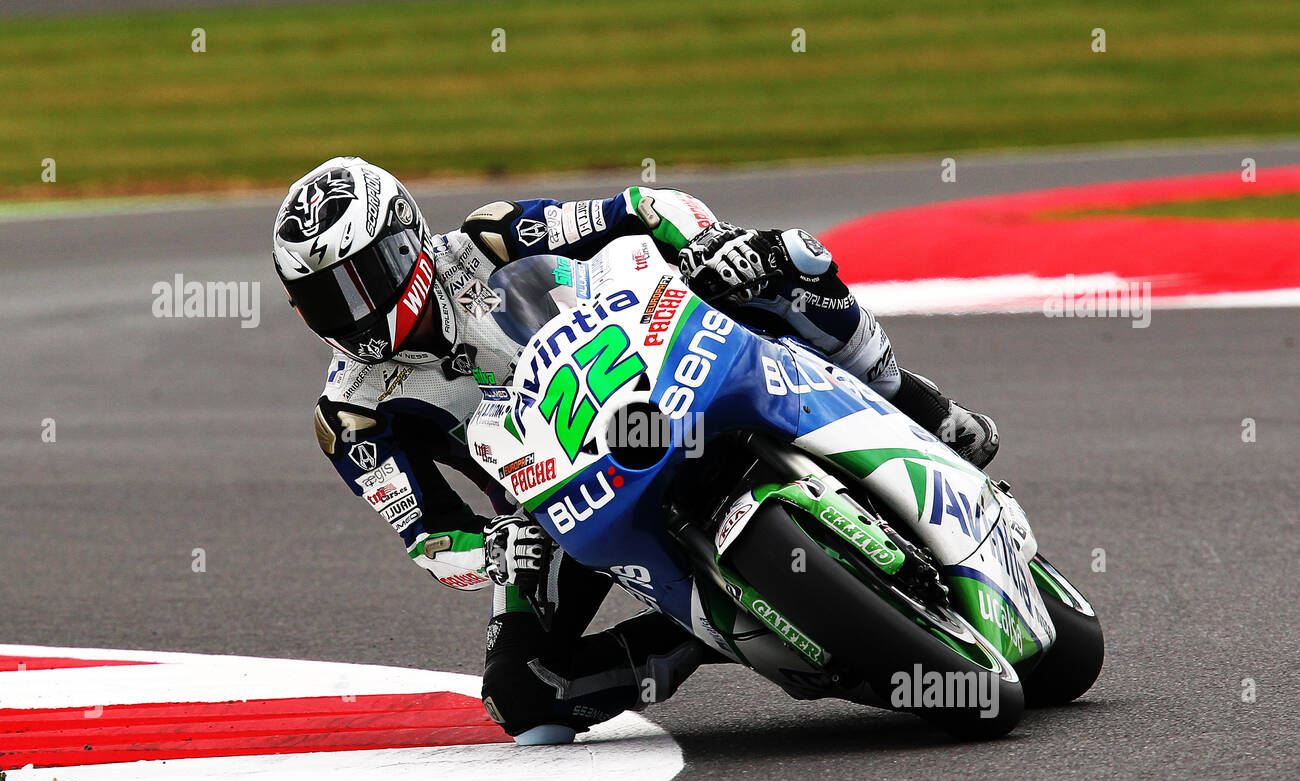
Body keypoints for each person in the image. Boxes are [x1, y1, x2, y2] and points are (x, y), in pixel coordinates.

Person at [272, 156, 999, 744]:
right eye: (330, 296)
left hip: (658, 366)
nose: (359, 308)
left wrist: (706, 244)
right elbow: (429, 537)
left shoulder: (489, 237)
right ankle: (709, 631)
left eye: (366, 275)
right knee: (522, 693)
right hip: (555, 502)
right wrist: (497, 550)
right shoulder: (352, 414)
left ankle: (917, 404)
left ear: (408, 239)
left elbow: (639, 207)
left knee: (783, 261)